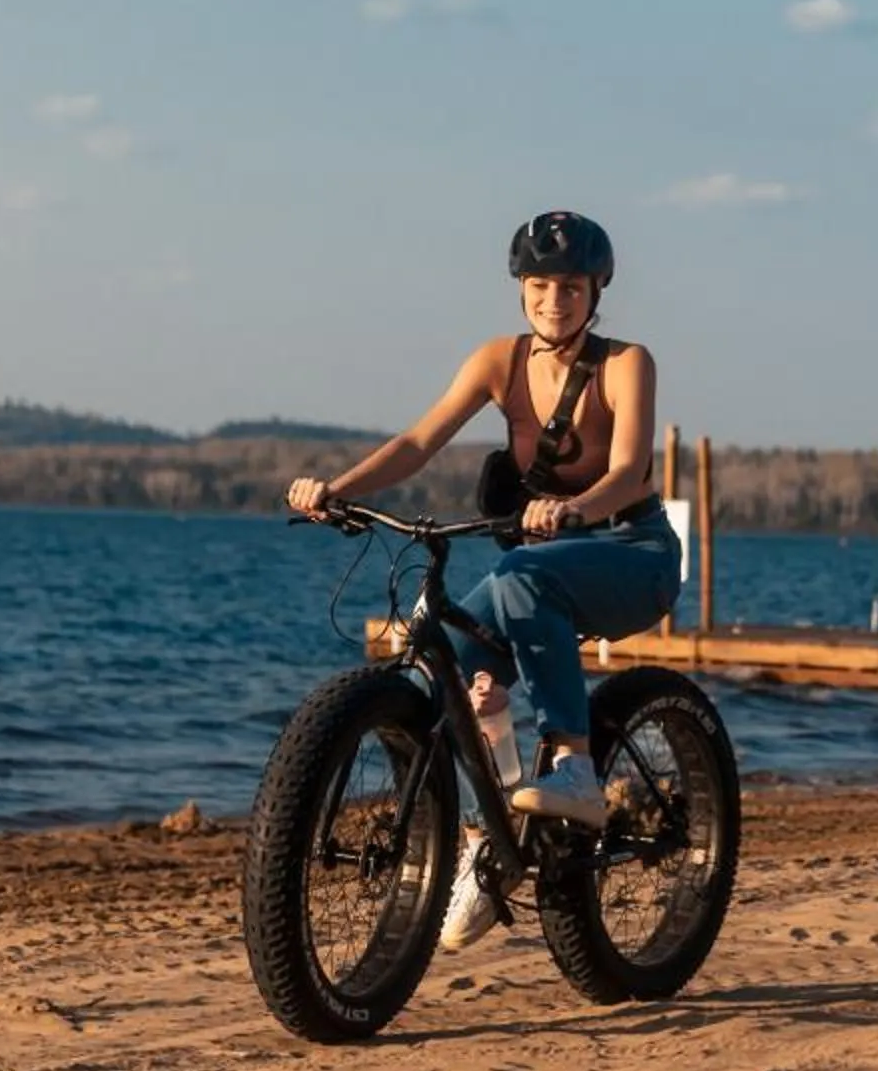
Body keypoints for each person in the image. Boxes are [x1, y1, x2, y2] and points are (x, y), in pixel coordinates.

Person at [287, 210, 681, 949]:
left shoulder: (627, 363)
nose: (552, 301)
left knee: (521, 574)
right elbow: (417, 441)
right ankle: (486, 840)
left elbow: (629, 470)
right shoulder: (497, 362)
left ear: (597, 290)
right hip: (541, 556)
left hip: (633, 552)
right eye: (538, 285)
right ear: (521, 290)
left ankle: (575, 768)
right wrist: (337, 490)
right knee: (449, 669)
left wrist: (573, 508)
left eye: (568, 287)